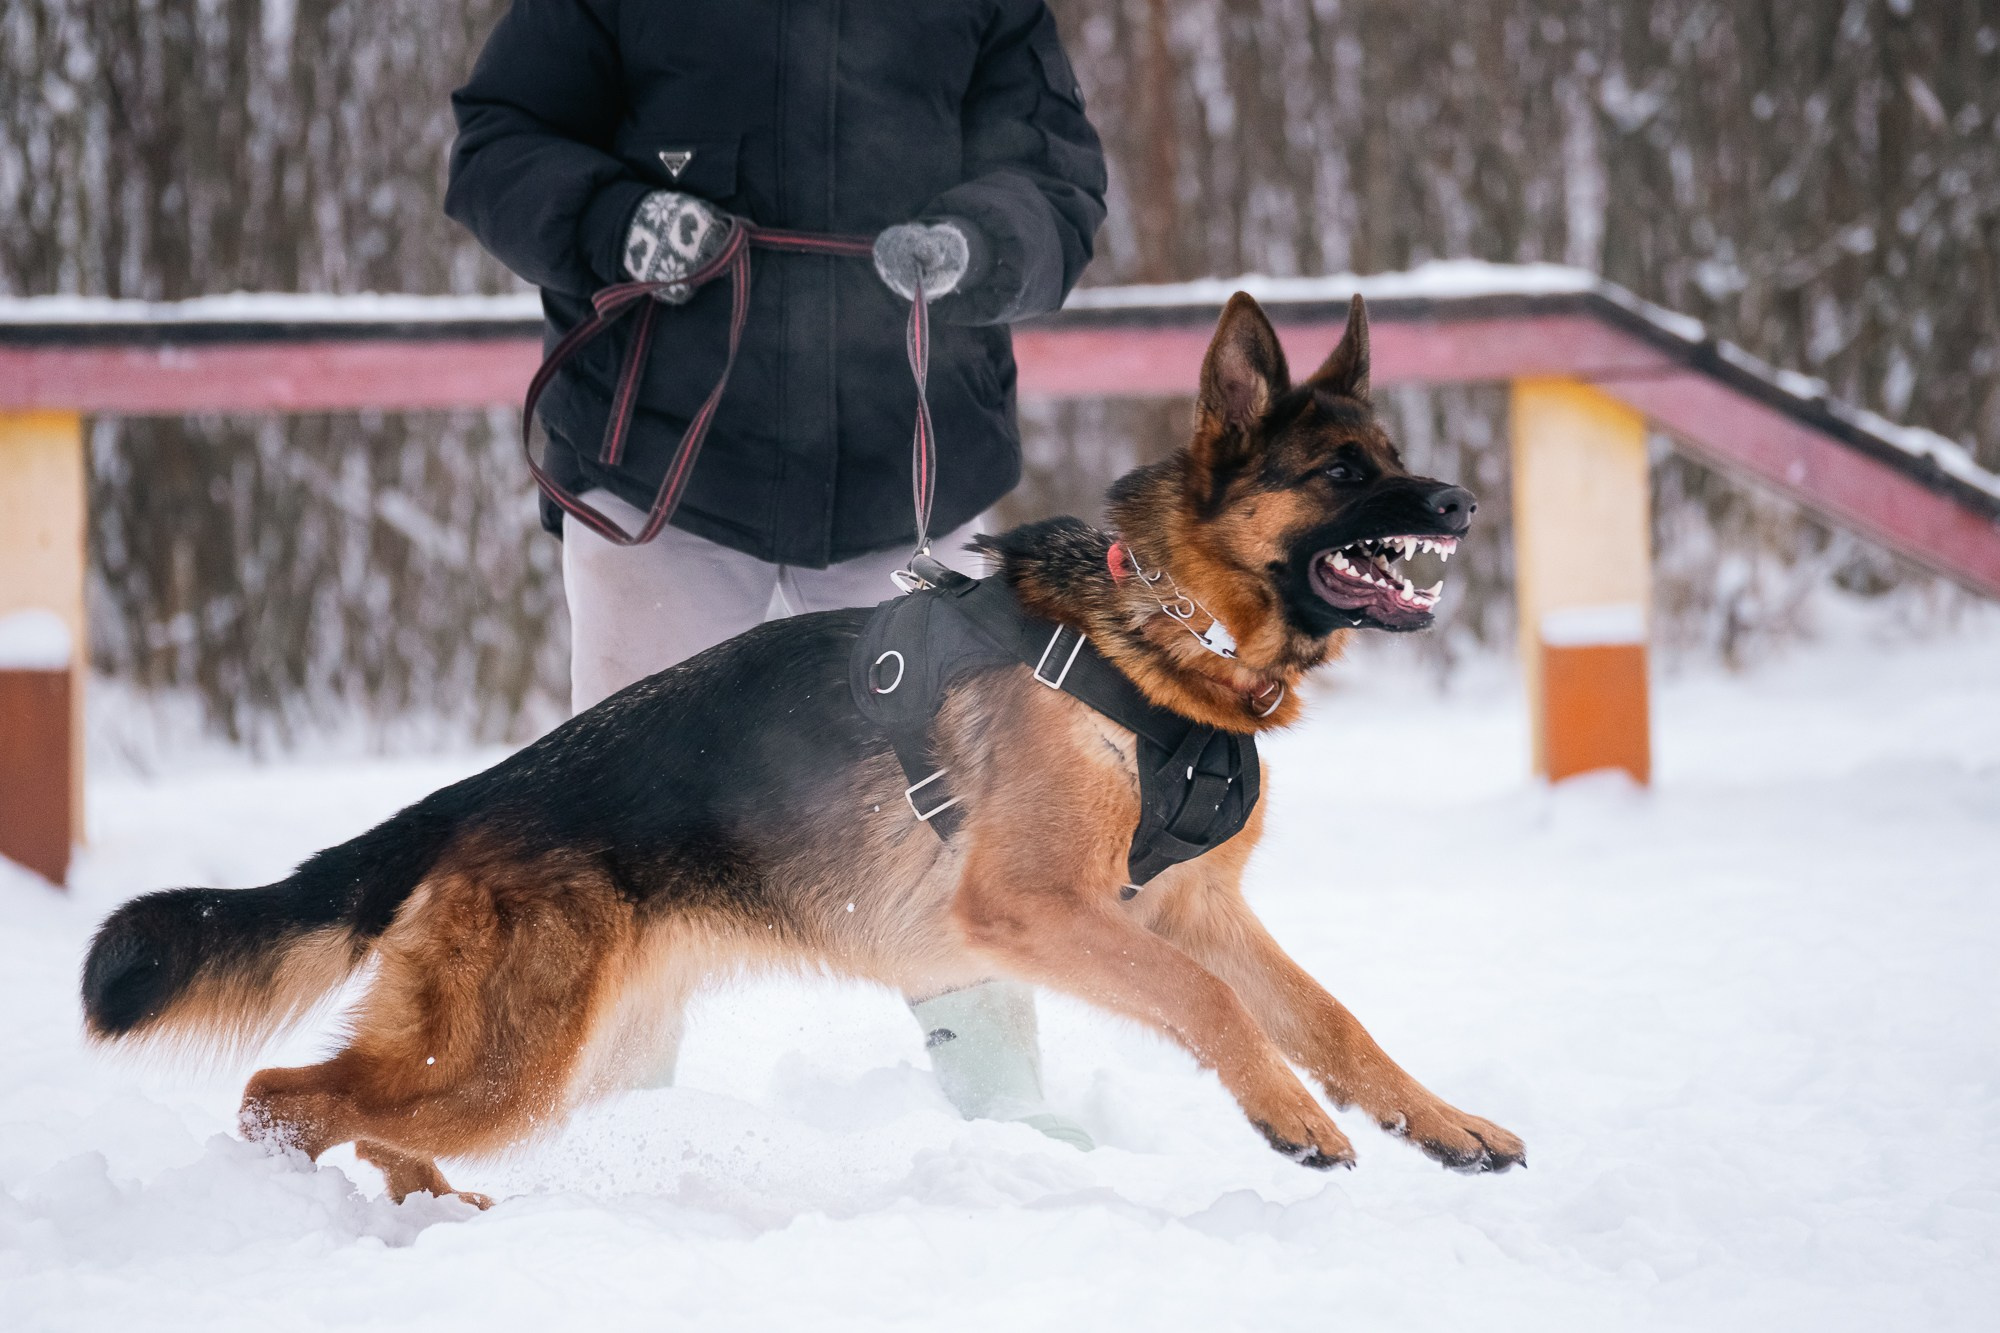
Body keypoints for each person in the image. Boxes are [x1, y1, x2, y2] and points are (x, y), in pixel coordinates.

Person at [444, 1, 1108, 1149]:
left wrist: (977, 245)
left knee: (953, 797)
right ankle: (606, 1120)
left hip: (913, 466)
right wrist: (618, 219)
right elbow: (497, 144)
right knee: (615, 813)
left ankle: (1006, 1116)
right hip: (655, 463)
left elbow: (1054, 184)